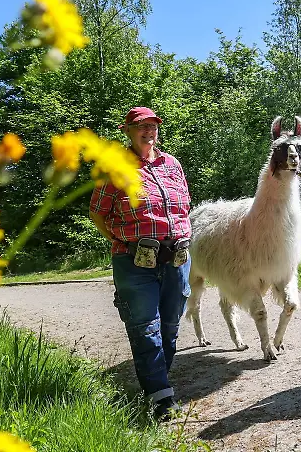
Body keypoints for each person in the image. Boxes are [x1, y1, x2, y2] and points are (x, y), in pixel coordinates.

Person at [89, 106, 193, 421]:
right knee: (145, 328)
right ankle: (161, 398)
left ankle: (158, 382)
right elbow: (97, 212)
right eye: (141, 127)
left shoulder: (172, 164)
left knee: (170, 326)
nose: (148, 132)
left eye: (152, 126)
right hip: (135, 260)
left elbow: (184, 205)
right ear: (127, 132)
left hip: (176, 258)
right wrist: (121, 240)